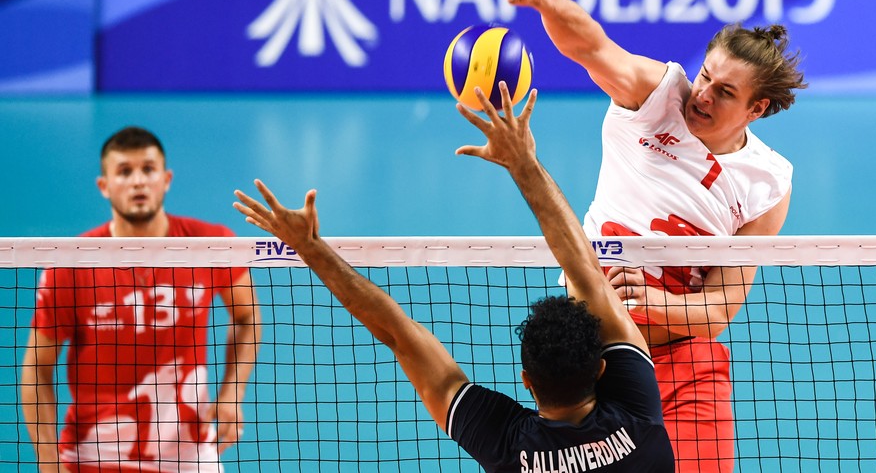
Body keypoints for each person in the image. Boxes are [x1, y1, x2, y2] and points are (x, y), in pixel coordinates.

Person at [480, 0, 808, 472]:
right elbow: (590, 46)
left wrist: (647, 302)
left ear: (757, 109)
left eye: (726, 92)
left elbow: (719, 309)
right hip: (593, 360)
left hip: (685, 364)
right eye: (706, 75)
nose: (703, 94)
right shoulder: (656, 96)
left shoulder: (768, 184)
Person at [233, 85, 675, 472]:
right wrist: (524, 164)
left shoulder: (508, 445)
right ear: (601, 369)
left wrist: (310, 248)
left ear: (526, 380)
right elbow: (586, 271)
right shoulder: (638, 422)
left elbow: (398, 334)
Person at [21, 126, 262, 473]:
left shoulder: (210, 244)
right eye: (124, 171)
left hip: (189, 454)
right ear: (104, 186)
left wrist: (232, 392)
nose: (137, 181)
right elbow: (37, 369)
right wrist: (48, 465)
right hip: (94, 453)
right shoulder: (70, 265)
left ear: (166, 179)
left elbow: (247, 317)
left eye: (148, 169)